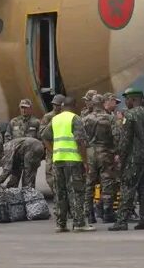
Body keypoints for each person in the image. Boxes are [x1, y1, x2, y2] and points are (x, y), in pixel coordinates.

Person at [41, 95, 93, 233]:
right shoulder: (75, 119)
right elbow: (80, 141)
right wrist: (85, 161)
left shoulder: (55, 119)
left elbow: (44, 136)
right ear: (74, 106)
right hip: (73, 160)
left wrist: (53, 152)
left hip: (58, 160)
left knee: (60, 193)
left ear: (63, 106)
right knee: (76, 192)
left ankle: (61, 224)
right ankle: (79, 223)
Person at [109, 88, 144, 231]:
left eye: (127, 99)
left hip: (134, 159)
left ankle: (121, 221)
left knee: (127, 189)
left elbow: (125, 140)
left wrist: (121, 159)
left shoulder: (129, 116)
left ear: (133, 99)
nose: (126, 102)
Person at [82, 93, 119, 224]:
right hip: (105, 152)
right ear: (103, 103)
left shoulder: (85, 119)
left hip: (90, 153)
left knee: (89, 183)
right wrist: (116, 152)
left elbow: (81, 138)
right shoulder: (109, 118)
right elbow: (116, 136)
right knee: (107, 182)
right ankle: (107, 212)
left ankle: (89, 213)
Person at [39, 94, 66, 195]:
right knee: (49, 174)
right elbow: (42, 132)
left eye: (57, 105)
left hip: (64, 149)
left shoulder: (67, 116)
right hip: (51, 149)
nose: (55, 107)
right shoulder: (48, 117)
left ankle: (62, 194)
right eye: (54, 104)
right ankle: (57, 193)